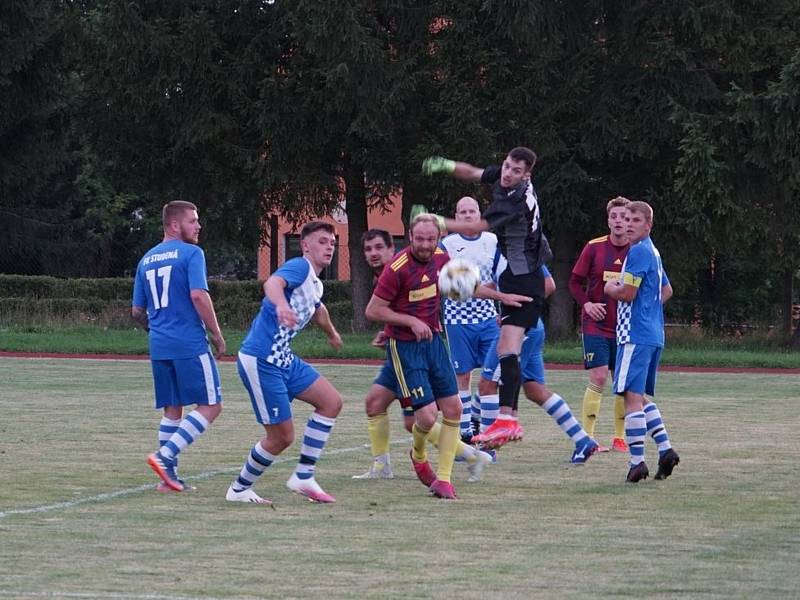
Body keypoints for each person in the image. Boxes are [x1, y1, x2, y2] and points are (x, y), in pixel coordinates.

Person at [364, 213, 529, 499]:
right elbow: (373, 310)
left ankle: (443, 479)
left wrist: (502, 298)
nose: (426, 245)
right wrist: (409, 322)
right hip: (405, 347)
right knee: (424, 417)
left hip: (434, 343)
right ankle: (417, 455)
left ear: (438, 238)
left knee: (453, 409)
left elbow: (466, 286)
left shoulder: (441, 256)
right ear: (410, 237)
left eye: (431, 239)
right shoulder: (398, 268)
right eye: (420, 239)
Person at [420, 146, 552, 449]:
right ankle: (508, 419)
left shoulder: (516, 201)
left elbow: (474, 226)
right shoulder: (505, 180)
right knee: (508, 350)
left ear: (526, 175)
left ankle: (507, 420)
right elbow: (474, 172)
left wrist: (434, 221)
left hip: (525, 278)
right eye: (506, 166)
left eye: (515, 171)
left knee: (508, 349)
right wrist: (447, 164)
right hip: (517, 275)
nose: (507, 173)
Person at [225, 221, 343, 504]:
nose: (330, 246)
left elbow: (318, 309)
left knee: (331, 402)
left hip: (283, 359)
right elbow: (272, 283)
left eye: (332, 242)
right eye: (323, 241)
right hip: (262, 359)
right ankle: (239, 490)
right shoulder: (299, 267)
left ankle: (303, 476)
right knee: (281, 437)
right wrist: (280, 304)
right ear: (305, 245)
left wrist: (332, 333)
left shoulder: (314, 283)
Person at [133, 200, 226, 493]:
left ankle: (167, 479)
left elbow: (137, 311)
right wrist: (216, 333)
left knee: (173, 410)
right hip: (189, 343)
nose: (198, 226)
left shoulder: (146, 259)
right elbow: (198, 296)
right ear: (175, 225)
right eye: (193, 221)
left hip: (159, 345)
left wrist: (157, 330)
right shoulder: (192, 253)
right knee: (211, 405)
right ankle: (165, 454)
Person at [479, 266, 599, 464]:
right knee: (534, 390)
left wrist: (522, 309)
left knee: (487, 384)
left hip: (522, 327)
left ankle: (486, 451)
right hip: (531, 327)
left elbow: (549, 284)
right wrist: (471, 290)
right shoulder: (501, 250)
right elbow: (496, 285)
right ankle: (583, 440)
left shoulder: (521, 249)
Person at [603, 201, 680, 483]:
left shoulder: (637, 251)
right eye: (626, 218)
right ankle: (665, 449)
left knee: (630, 398)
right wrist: (649, 309)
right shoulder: (653, 251)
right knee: (639, 396)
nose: (630, 223)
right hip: (652, 333)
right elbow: (666, 289)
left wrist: (610, 288)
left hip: (634, 334)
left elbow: (628, 293)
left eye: (636, 219)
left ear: (648, 224)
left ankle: (637, 463)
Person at [438, 196, 503, 443]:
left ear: (479, 214)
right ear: (456, 216)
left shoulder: (492, 240)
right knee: (462, 376)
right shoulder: (448, 244)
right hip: (458, 320)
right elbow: (443, 281)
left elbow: (501, 274)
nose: (467, 215)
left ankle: (487, 435)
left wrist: (499, 304)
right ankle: (465, 433)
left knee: (493, 377)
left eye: (472, 211)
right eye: (462, 211)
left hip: (488, 318)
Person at [569, 196, 631, 453]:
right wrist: (587, 304)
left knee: (622, 381)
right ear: (608, 220)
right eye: (614, 216)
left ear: (631, 221)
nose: (619, 221)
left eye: (624, 217)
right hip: (596, 325)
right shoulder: (594, 247)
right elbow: (573, 282)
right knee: (598, 376)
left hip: (626, 327)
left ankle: (620, 438)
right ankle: (588, 439)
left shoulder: (639, 250)